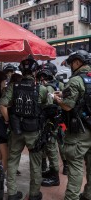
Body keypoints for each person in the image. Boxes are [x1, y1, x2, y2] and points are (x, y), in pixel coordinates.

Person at [0, 58, 48, 200]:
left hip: (16, 131)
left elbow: (2, 105)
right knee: (36, 163)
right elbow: (47, 107)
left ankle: (12, 193)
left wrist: (9, 121)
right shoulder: (42, 89)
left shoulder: (13, 87)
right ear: (35, 72)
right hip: (34, 132)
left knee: (13, 160)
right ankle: (34, 194)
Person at [53, 50, 91, 200]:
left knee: (75, 167)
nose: (70, 67)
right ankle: (88, 195)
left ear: (77, 62)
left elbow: (68, 106)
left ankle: (72, 198)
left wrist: (57, 99)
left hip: (79, 132)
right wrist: (64, 93)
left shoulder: (75, 80)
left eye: (71, 64)